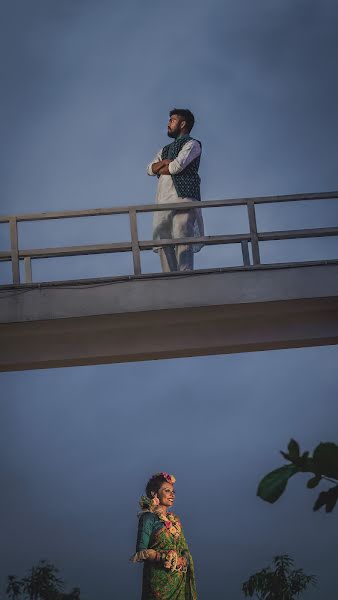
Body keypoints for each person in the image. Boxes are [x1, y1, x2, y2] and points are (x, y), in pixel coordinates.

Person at [147, 109, 204, 272]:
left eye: (172, 120)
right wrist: (164, 163)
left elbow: (176, 167)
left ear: (183, 123)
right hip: (163, 201)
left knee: (182, 236)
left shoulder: (192, 144)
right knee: (162, 239)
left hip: (184, 198)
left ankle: (185, 276)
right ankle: (168, 277)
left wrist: (163, 166)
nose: (168, 123)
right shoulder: (164, 150)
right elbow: (149, 169)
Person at [130, 472, 197, 599]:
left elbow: (184, 549)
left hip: (179, 584)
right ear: (154, 494)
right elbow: (141, 551)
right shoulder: (148, 518)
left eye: (173, 491)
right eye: (167, 491)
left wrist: (183, 559)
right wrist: (165, 558)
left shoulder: (175, 521)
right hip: (158, 586)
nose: (172, 495)